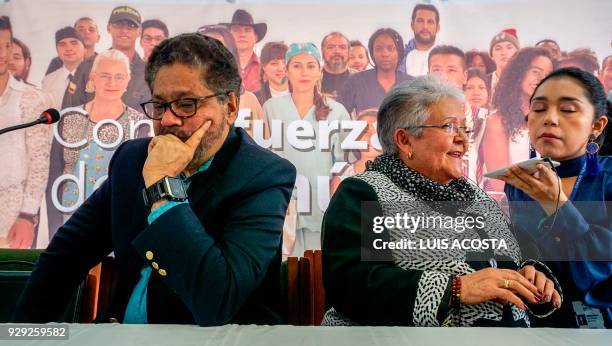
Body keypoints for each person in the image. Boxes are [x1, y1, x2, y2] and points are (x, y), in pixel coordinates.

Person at [14, 33, 296, 325]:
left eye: (187, 104)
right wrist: (22, 334)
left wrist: (164, 187)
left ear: (231, 107)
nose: (169, 120)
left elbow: (217, 299)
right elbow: (66, 254)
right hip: (121, 333)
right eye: (160, 106)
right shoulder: (132, 160)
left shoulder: (263, 175)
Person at [322, 76, 562, 326]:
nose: (463, 139)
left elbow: (520, 251)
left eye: (465, 129)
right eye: (449, 127)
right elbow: (351, 285)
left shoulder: (473, 195)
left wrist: (532, 275)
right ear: (405, 140)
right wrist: (457, 288)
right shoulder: (363, 192)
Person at [502, 68, 611, 328]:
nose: (549, 119)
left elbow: (603, 272)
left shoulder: (607, 177)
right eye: (539, 109)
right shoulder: (519, 183)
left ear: (596, 125)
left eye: (568, 110)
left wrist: (557, 204)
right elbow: (526, 254)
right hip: (535, 326)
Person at [263, 43, 350, 256]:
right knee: (286, 272)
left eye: (311, 66)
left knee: (319, 271)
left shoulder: (336, 111)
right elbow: (264, 157)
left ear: (320, 71)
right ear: (287, 71)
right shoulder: (271, 108)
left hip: (321, 203)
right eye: (297, 66)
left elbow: (345, 161)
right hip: (284, 202)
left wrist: (334, 192)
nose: (304, 72)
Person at [53, 49, 149, 229]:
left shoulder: (140, 124)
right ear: (93, 77)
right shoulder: (70, 118)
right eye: (105, 76)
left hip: (118, 219)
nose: (112, 83)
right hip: (72, 216)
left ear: (128, 80)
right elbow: (56, 173)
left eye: (119, 76)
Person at [0, 16, 51, 249]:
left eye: (7, 45)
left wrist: (28, 215)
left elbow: (40, 163)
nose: (3, 54)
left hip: (12, 217)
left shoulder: (32, 98)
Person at [482, 47, 553, 196]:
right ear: (519, 73)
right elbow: (500, 183)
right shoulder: (497, 121)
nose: (541, 79)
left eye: (547, 75)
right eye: (536, 72)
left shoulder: (554, 118)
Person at [62, 6, 150, 111]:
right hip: (89, 126)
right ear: (109, 28)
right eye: (118, 24)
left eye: (131, 26)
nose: (124, 30)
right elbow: (69, 110)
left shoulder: (148, 73)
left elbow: (151, 118)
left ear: (140, 31)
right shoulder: (87, 66)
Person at [428, 45, 488, 185]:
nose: (443, 76)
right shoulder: (414, 116)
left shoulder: (483, 118)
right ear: (428, 74)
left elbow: (490, 167)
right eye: (437, 70)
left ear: (464, 76)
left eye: (451, 70)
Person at [197, 24, 269, 140]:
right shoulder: (182, 101)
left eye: (218, 48)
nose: (210, 55)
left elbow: (264, 148)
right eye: (203, 49)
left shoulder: (248, 100)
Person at [339, 28, 411, 116]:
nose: (385, 54)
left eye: (391, 48)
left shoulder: (412, 84)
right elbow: (337, 116)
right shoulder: (355, 81)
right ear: (372, 53)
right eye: (378, 49)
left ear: (399, 52)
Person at [223, 9, 267, 93]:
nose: (242, 34)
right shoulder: (218, 66)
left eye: (247, 30)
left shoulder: (266, 68)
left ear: (256, 37)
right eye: (236, 30)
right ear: (228, 36)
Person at [41, 27, 85, 109]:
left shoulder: (95, 75)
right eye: (62, 44)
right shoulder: (48, 81)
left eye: (74, 43)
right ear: (57, 50)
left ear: (84, 47)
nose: (68, 48)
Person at [399, 3, 440, 77]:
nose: (425, 27)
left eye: (430, 22)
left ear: (438, 28)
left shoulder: (446, 57)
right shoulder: (399, 57)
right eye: (420, 21)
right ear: (412, 25)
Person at [255, 41, 288, 105]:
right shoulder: (255, 99)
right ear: (264, 67)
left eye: (285, 63)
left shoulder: (304, 94)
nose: (281, 68)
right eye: (274, 63)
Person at [320, 32, 351, 99]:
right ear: (322, 51)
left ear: (349, 52)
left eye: (342, 47)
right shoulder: (311, 78)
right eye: (330, 47)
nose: (337, 51)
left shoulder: (360, 80)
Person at [488, 29, 519, 93]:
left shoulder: (524, 80)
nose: (504, 52)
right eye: (498, 49)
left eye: (509, 48)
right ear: (491, 55)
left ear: (517, 52)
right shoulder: (483, 81)